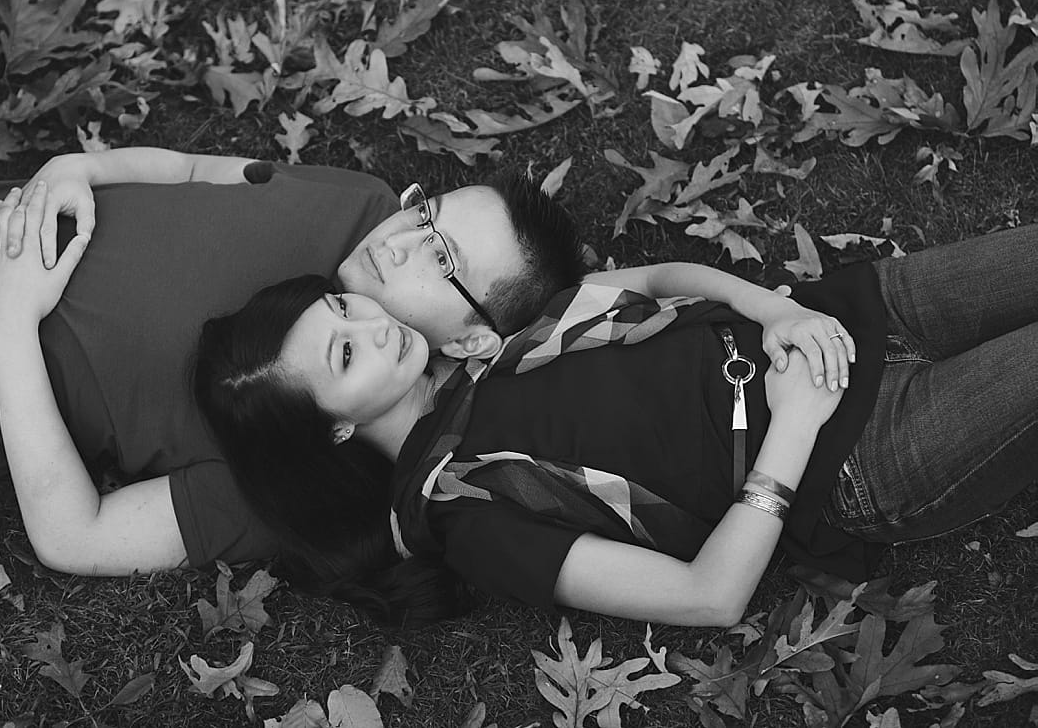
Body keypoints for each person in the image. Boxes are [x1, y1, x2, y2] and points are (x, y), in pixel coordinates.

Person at [0, 111, 572, 576]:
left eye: (442, 261)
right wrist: (76, 168)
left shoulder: (304, 446)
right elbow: (200, 170)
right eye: (427, 212)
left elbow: (78, 535)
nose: (402, 240)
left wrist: (9, 324)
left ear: (473, 339)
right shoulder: (366, 205)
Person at [193, 210, 1038, 627]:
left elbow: (663, 278)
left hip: (853, 313)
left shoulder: (487, 345)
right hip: (862, 452)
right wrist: (795, 427)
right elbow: (707, 596)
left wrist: (776, 314)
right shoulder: (464, 514)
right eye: (345, 357)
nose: (374, 327)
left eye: (344, 310)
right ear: (333, 430)